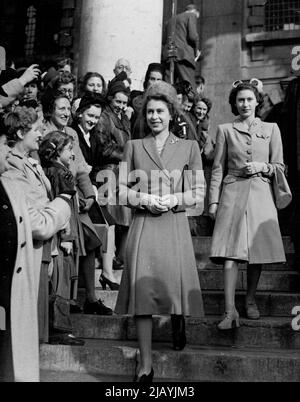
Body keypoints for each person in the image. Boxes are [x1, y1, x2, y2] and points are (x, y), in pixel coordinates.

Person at [115, 81, 205, 382]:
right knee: (142, 294)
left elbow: (197, 193)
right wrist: (144, 199)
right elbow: (120, 191)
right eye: (150, 111)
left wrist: (174, 199)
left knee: (172, 285)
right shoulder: (134, 146)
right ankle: (145, 363)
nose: (154, 116)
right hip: (144, 224)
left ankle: (178, 317)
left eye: (160, 111)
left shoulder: (189, 147)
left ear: (171, 115)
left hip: (174, 224)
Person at [208, 81, 286, 329]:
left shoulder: (271, 128)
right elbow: (218, 168)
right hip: (232, 192)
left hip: (261, 193)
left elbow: (280, 166)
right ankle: (230, 311)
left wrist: (263, 167)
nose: (245, 104)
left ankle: (250, 299)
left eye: (249, 100)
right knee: (230, 253)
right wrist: (213, 201)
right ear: (234, 103)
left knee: (256, 252)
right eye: (240, 100)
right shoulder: (225, 130)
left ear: (257, 101)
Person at [0, 118, 71, 382]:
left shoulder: (31, 163)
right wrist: (63, 202)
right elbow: (37, 222)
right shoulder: (13, 170)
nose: (41, 134)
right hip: (28, 249)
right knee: (21, 331)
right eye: (36, 130)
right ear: (19, 133)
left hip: (42, 246)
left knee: (29, 328)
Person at [42, 91, 113, 315]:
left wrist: (90, 196)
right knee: (66, 248)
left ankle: (91, 298)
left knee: (91, 240)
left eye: (67, 108)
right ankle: (66, 300)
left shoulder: (71, 131)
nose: (65, 112)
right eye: (60, 108)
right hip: (56, 199)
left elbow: (81, 168)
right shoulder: (43, 132)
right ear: (50, 110)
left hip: (77, 198)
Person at [39, 131, 85, 346]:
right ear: (57, 152)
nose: (73, 153)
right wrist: (67, 236)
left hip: (53, 233)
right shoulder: (61, 173)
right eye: (69, 149)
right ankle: (59, 331)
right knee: (60, 283)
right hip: (60, 235)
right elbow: (63, 203)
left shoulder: (47, 170)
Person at [72, 93, 119, 289]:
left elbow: (101, 156)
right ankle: (104, 274)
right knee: (105, 225)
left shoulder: (91, 136)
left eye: (96, 117)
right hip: (78, 191)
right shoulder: (73, 132)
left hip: (90, 189)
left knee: (110, 223)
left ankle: (107, 273)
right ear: (80, 113)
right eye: (89, 116)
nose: (93, 120)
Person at [96, 80, 132, 272]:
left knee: (126, 218)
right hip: (108, 172)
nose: (121, 106)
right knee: (109, 220)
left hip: (123, 173)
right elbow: (103, 147)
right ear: (110, 99)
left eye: (124, 103)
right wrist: (127, 152)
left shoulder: (124, 119)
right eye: (118, 102)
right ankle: (106, 261)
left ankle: (119, 257)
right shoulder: (104, 117)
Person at [163, 4, 201, 91]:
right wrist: (196, 51)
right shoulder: (191, 15)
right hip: (183, 55)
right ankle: (194, 104)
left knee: (168, 87)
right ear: (196, 12)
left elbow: (164, 40)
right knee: (189, 86)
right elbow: (193, 36)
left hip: (168, 56)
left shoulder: (170, 20)